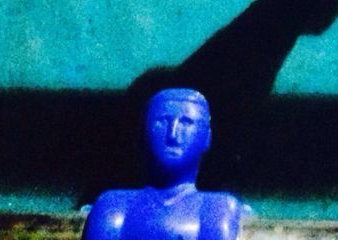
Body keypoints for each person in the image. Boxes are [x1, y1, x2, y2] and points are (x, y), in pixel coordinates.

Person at [84, 90, 247, 240]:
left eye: (186, 122)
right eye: (162, 121)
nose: (173, 134)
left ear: (207, 138)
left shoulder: (218, 209)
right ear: (143, 132)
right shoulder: (114, 206)